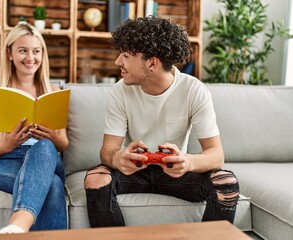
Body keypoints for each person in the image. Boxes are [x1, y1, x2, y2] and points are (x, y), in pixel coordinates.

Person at [84, 15, 240, 227]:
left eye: (126, 55)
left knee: (226, 183)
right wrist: (119, 157)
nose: (118, 62)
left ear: (152, 63)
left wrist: (188, 162)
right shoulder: (119, 92)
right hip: (135, 172)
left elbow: (216, 154)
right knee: (95, 179)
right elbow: (107, 150)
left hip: (176, 175)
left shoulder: (194, 91)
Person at [0, 23, 68, 234]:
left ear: (42, 55)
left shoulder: (52, 91)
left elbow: (64, 144)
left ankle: (19, 222)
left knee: (43, 146)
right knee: (52, 185)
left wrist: (52, 137)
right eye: (23, 50)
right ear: (9, 53)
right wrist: (6, 145)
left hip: (48, 158)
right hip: (5, 162)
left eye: (36, 51)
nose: (30, 57)